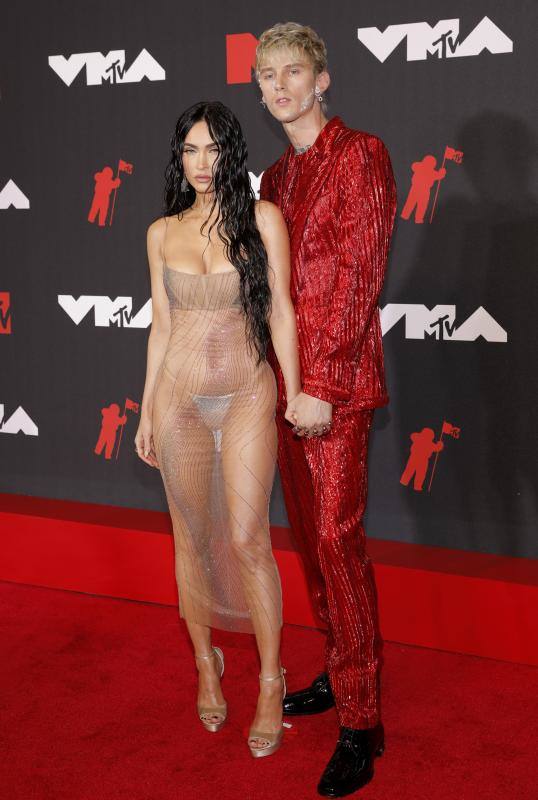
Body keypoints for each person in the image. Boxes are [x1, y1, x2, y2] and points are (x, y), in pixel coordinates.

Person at [134, 101, 310, 758]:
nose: (201, 163)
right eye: (190, 150)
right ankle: (207, 666)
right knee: (190, 540)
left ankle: (271, 679)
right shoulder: (160, 232)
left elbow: (284, 314)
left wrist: (295, 394)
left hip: (245, 392)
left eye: (213, 150)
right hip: (179, 398)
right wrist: (148, 409)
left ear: (231, 154)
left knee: (246, 538)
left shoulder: (262, 220)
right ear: (178, 157)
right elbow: (161, 329)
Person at [257, 23, 397, 796]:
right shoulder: (275, 179)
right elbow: (270, 294)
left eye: (293, 72)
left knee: (340, 546)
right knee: (313, 546)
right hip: (285, 389)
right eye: (267, 76)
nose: (280, 87)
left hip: (331, 394)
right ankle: (340, 679)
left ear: (323, 79)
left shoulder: (363, 155)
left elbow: (359, 277)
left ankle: (361, 722)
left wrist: (324, 386)